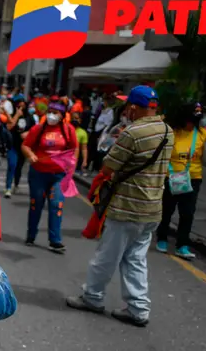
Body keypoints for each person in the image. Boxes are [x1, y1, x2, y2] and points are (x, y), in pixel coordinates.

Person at [66, 86, 174, 327]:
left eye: (128, 107)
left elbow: (108, 168)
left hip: (127, 206)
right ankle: (138, 308)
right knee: (136, 258)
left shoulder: (132, 132)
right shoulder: (168, 131)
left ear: (134, 108)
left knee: (106, 257)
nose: (126, 111)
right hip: (153, 207)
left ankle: (93, 297)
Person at [21, 101, 78, 252]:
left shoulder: (68, 130)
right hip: (39, 174)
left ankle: (55, 240)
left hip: (59, 175)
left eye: (56, 112)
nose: (52, 115)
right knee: (36, 205)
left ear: (62, 115)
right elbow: (25, 145)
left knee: (56, 206)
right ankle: (31, 235)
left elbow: (74, 148)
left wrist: (72, 165)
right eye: (50, 111)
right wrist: (31, 155)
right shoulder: (38, 129)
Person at [156, 102, 206, 260]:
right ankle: (162, 238)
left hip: (193, 178)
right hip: (171, 176)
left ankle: (182, 245)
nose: (191, 123)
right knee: (167, 210)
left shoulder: (203, 134)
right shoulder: (171, 132)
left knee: (187, 213)